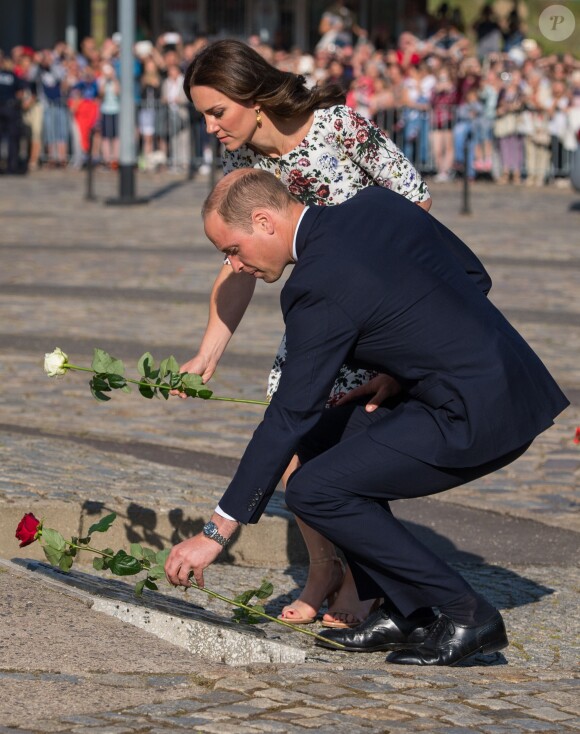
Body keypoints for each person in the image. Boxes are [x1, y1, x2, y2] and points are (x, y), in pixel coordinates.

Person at [165, 168, 568, 666]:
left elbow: (288, 414)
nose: (234, 265)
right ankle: (406, 609)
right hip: (492, 384)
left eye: (232, 249)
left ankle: (468, 615)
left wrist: (215, 534)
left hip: (477, 413)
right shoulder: (377, 205)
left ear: (264, 221)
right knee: (316, 441)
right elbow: (472, 277)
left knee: (314, 490)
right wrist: (398, 371)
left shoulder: (314, 286)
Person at [175, 38, 432, 629]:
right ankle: (324, 569)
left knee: (353, 442)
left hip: (378, 312)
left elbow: (416, 205)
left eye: (217, 111)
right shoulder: (241, 166)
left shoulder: (338, 126)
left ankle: (369, 583)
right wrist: (207, 351)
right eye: (203, 116)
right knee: (289, 438)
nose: (211, 126)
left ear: (252, 97)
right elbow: (237, 261)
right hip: (316, 317)